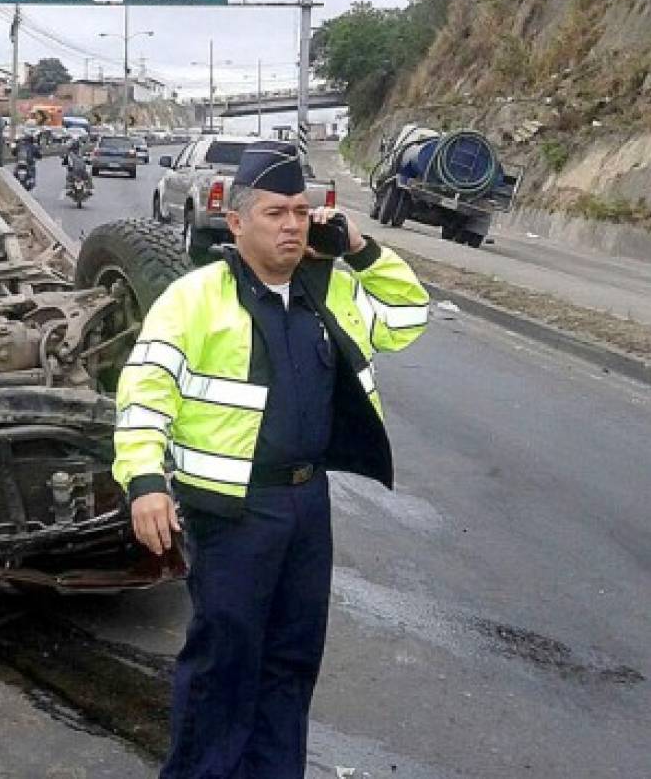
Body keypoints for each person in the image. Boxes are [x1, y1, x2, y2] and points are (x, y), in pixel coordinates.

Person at [113, 141, 429, 779]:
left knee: (292, 661)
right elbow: (145, 392)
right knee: (225, 662)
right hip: (231, 510)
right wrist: (146, 482)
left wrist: (362, 252)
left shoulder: (327, 290)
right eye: (275, 214)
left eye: (300, 212)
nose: (291, 225)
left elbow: (407, 317)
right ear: (236, 222)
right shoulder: (196, 297)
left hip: (306, 506)